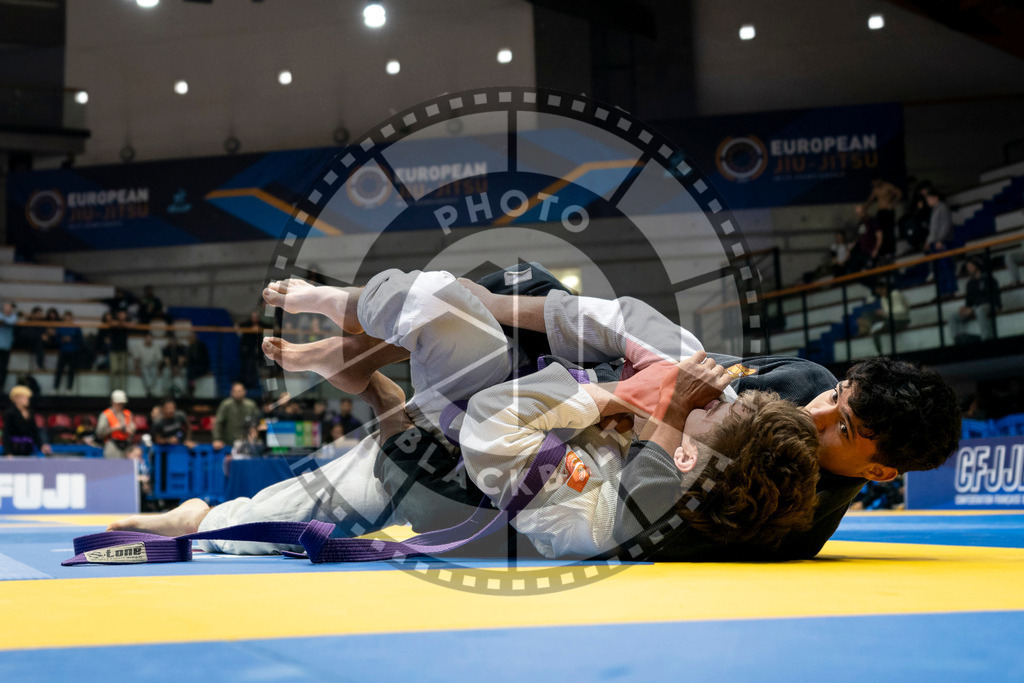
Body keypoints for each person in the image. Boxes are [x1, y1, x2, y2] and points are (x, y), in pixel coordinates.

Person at [110, 267, 960, 561]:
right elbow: (670, 356)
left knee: (248, 513)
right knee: (483, 295)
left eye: (842, 426)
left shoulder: (786, 521)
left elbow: (628, 524)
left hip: (530, 470)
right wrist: (666, 395)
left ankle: (358, 383)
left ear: (881, 469)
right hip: (560, 415)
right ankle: (362, 347)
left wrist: (648, 420)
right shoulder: (798, 383)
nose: (817, 412)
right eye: (833, 400)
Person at [949, 256, 1002, 344]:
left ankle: (986, 338)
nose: (969, 269)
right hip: (975, 308)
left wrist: (972, 309)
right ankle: (957, 340)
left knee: (980, 310)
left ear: (976, 266)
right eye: (967, 268)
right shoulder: (970, 283)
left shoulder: (989, 279)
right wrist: (965, 309)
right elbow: (969, 301)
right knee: (952, 317)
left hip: (991, 305)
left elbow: (992, 297)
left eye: (970, 266)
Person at [858, 281, 911, 354]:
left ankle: (881, 354)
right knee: (870, 319)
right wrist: (883, 313)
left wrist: (885, 313)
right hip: (890, 319)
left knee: (876, 328)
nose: (880, 293)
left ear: (884, 288)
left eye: (880, 290)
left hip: (901, 320)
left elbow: (901, 310)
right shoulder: (883, 298)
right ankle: (880, 353)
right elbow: (887, 312)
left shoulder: (895, 294)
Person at [861, 176, 902, 261]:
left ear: (879, 180)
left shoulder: (888, 186)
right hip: (881, 212)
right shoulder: (875, 189)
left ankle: (890, 251)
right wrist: (864, 207)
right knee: (880, 231)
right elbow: (871, 199)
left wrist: (893, 204)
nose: (874, 184)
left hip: (888, 211)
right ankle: (883, 251)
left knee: (889, 231)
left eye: (875, 182)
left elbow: (899, 193)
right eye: (873, 183)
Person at [924, 190, 957, 299]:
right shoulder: (934, 210)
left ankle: (950, 290)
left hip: (942, 242)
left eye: (929, 199)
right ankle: (942, 292)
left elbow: (946, 226)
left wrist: (941, 240)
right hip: (935, 242)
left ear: (936, 197)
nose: (928, 202)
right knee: (938, 269)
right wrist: (929, 241)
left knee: (946, 267)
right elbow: (933, 229)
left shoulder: (943, 208)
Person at [2, 385, 51, 456]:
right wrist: (8, 452)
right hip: (14, 448)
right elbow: (6, 433)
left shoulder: (30, 413)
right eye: (24, 397)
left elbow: (34, 431)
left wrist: (41, 445)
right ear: (16, 398)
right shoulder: (10, 413)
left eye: (27, 398)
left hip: (27, 449)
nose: (27, 399)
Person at [212, 381, 261, 451]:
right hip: (229, 441)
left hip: (247, 441)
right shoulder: (226, 405)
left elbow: (258, 420)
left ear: (245, 392)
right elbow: (218, 422)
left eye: (240, 391)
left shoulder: (251, 405)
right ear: (231, 393)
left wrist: (255, 431)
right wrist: (217, 439)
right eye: (235, 391)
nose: (238, 393)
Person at [96, 390, 136, 459]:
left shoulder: (128, 413)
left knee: (127, 467)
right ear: (112, 402)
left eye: (122, 403)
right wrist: (114, 428)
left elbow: (133, 427)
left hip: (126, 445)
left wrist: (131, 429)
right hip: (112, 444)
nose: (120, 405)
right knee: (112, 467)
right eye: (118, 403)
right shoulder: (106, 414)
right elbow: (99, 433)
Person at [53, 311, 83, 394]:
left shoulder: (76, 328)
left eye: (69, 317)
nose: (68, 319)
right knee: (59, 370)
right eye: (66, 317)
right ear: (64, 318)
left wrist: (71, 339)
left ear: (72, 318)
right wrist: (62, 340)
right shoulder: (60, 328)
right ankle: (56, 388)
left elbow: (80, 340)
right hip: (63, 351)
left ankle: (69, 388)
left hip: (73, 351)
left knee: (71, 371)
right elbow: (56, 340)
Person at [846, 205, 882, 274]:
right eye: (857, 213)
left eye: (860, 212)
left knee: (870, 271)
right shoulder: (860, 224)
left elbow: (879, 236)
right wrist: (849, 249)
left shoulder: (872, 221)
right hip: (863, 252)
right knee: (852, 269)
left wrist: (876, 249)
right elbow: (857, 238)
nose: (859, 215)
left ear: (865, 211)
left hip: (871, 251)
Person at [133, 333, 163, 397]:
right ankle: (150, 391)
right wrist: (136, 369)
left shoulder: (156, 347)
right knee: (145, 372)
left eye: (150, 339)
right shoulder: (139, 347)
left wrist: (159, 369)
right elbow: (136, 359)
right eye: (147, 338)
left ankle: (150, 391)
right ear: (145, 339)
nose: (149, 340)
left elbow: (159, 360)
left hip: (153, 366)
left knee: (154, 371)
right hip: (143, 366)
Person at [108, 310, 131, 391]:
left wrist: (123, 324)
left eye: (124, 314)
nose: (122, 316)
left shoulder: (127, 322)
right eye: (121, 314)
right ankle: (113, 390)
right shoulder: (114, 321)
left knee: (123, 371)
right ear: (118, 315)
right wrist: (122, 324)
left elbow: (132, 325)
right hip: (114, 349)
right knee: (114, 370)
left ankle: (122, 390)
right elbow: (112, 323)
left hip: (123, 350)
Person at [0, 301, 18, 392]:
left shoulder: (13, 316)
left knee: (3, 368)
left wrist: (4, 321)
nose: (7, 307)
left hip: (6, 346)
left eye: (9, 306)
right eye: (6, 305)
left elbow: (12, 321)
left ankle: (1, 387)